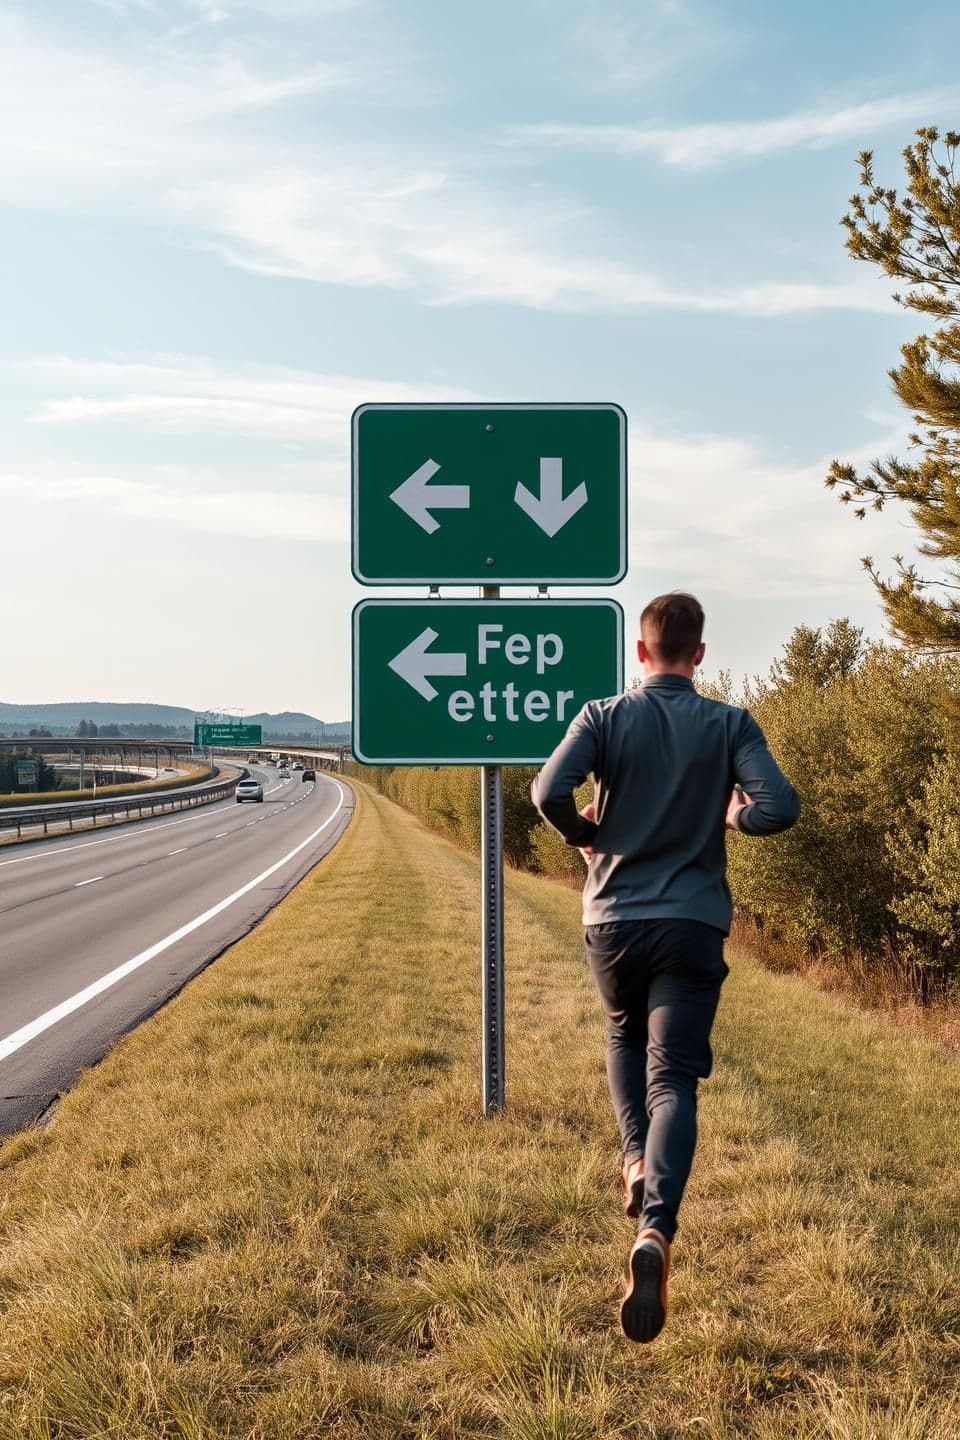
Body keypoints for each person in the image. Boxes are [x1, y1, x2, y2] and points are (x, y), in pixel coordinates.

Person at [531, 592, 800, 1343]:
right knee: (673, 1077)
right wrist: (731, 815)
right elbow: (780, 808)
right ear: (700, 655)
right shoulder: (729, 724)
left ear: (641, 653)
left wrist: (587, 836)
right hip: (692, 923)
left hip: (612, 918)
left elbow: (546, 791)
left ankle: (632, 1160)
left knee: (622, 1036)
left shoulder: (602, 715)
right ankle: (655, 1233)